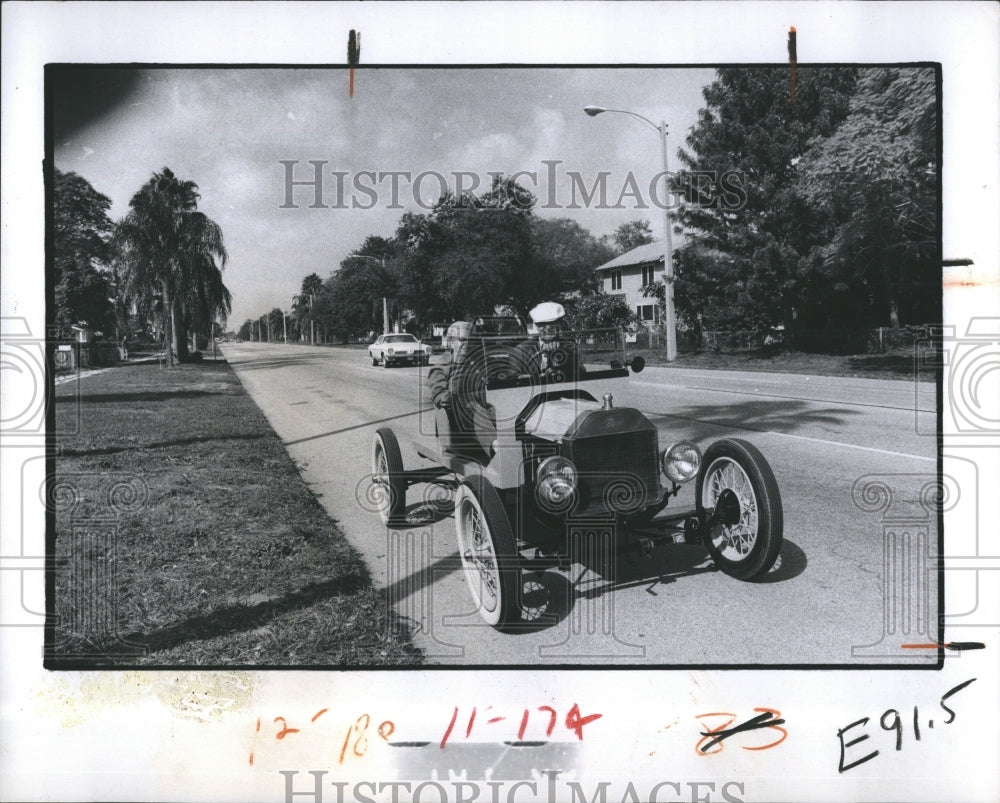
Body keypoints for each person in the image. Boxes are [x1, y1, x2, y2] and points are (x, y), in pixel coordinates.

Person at [427, 321, 495, 461]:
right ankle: (497, 449)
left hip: (483, 416)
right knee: (472, 405)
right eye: (462, 340)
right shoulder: (442, 366)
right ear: (451, 343)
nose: (467, 344)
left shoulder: (479, 362)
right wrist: (449, 395)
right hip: (457, 426)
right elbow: (438, 392)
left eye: (470, 340)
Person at [518, 301, 586, 382]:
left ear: (560, 324)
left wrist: (564, 354)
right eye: (542, 324)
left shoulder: (569, 345)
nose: (548, 328)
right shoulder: (524, 348)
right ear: (536, 326)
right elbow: (512, 375)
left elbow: (581, 372)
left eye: (552, 323)